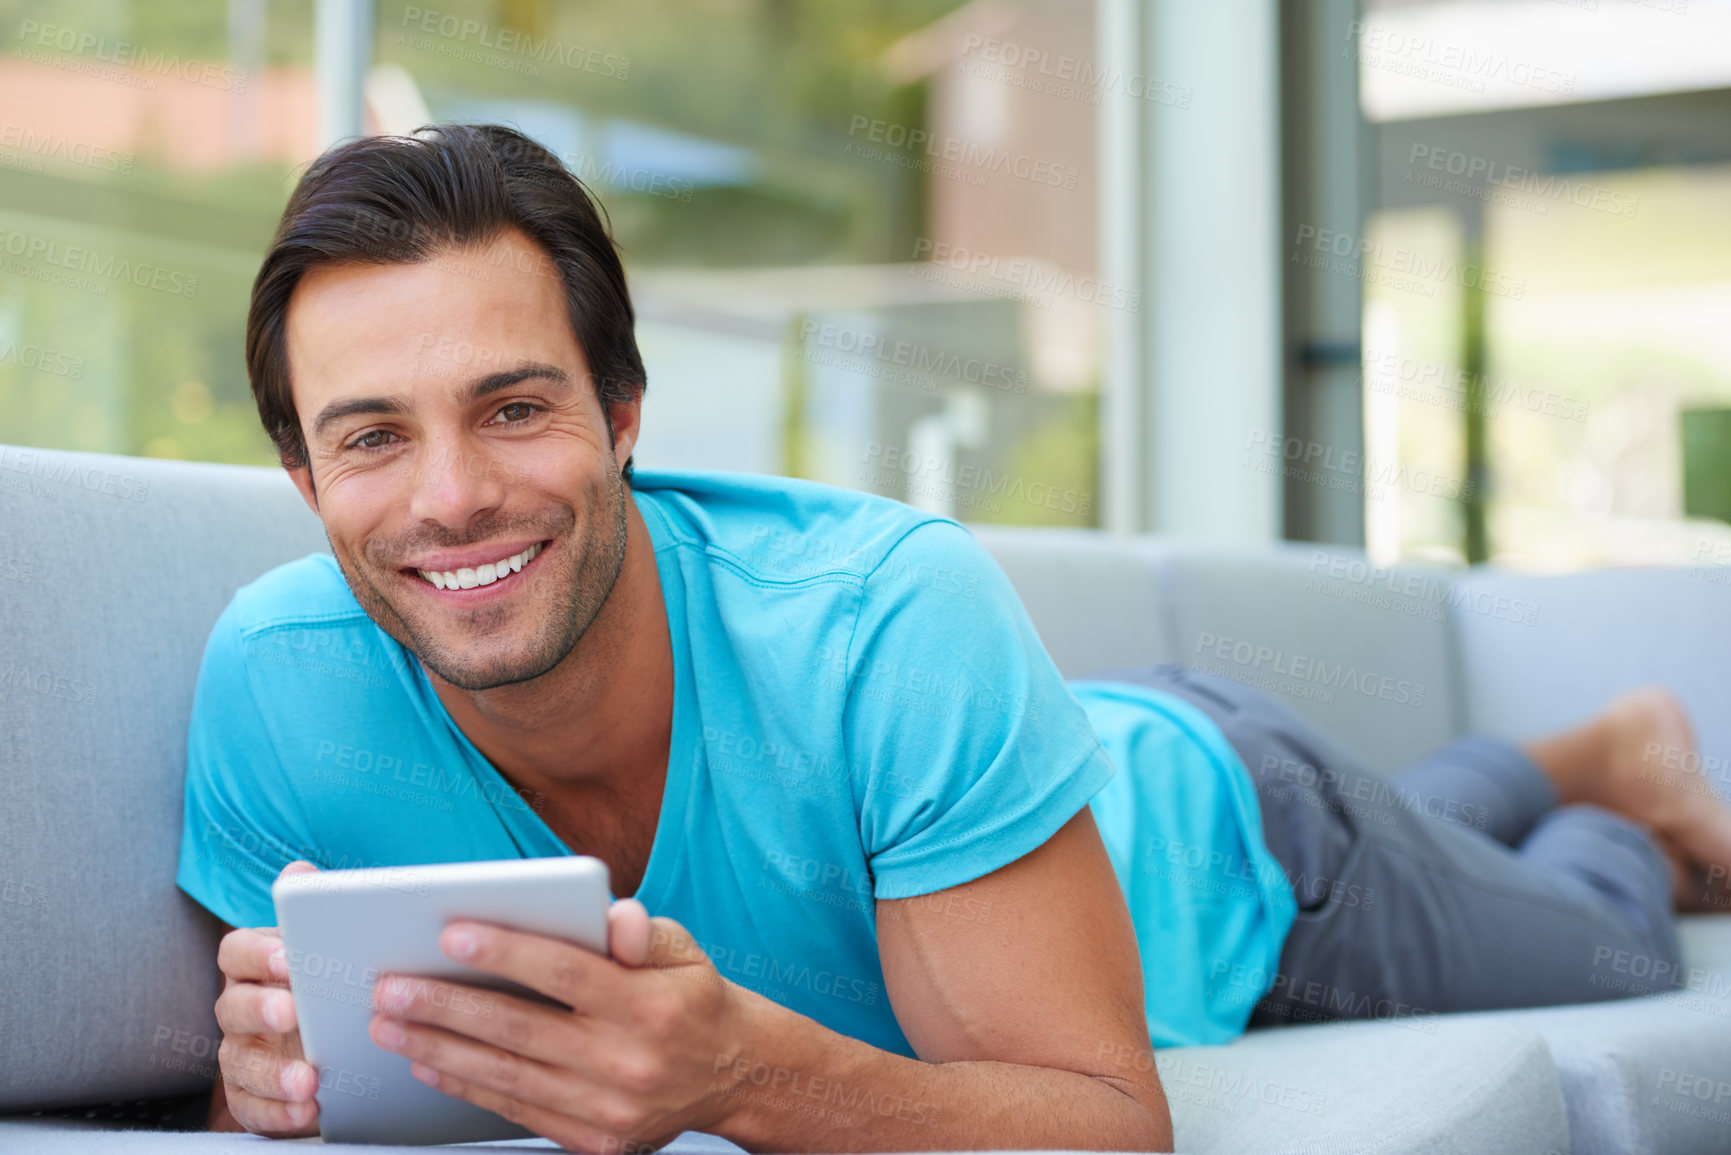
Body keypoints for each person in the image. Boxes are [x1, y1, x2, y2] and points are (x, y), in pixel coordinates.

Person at [179, 125, 1731, 1153]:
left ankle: (1616, 791)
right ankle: (1552, 756)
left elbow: (1110, 1123)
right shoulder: (276, 685)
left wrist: (733, 1076)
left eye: (514, 408)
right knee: (1448, 816)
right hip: (1041, 779)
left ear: (625, 415)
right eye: (372, 437)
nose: (452, 497)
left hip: (1244, 849)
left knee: (1614, 941)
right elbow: (250, 1062)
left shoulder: (890, 612)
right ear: (305, 480)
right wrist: (254, 1080)